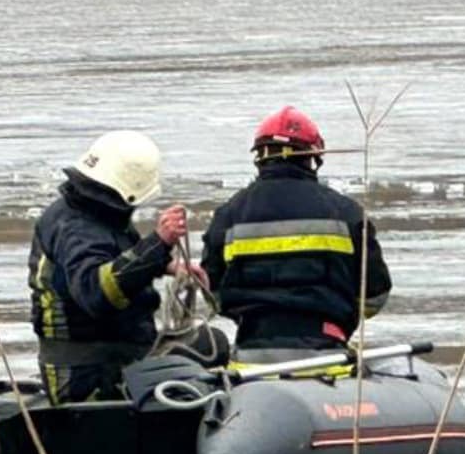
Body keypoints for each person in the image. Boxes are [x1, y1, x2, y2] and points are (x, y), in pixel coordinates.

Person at [201, 107, 391, 356]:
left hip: (252, 352)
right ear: (312, 158)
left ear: (260, 156)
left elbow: (211, 290)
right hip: (327, 350)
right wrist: (338, 317)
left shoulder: (229, 215)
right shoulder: (346, 213)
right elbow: (375, 294)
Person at [29, 129, 192, 403]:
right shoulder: (76, 227)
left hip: (112, 359)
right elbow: (96, 292)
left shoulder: (94, 214)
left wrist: (166, 265)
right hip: (85, 374)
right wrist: (157, 244)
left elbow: (114, 259)